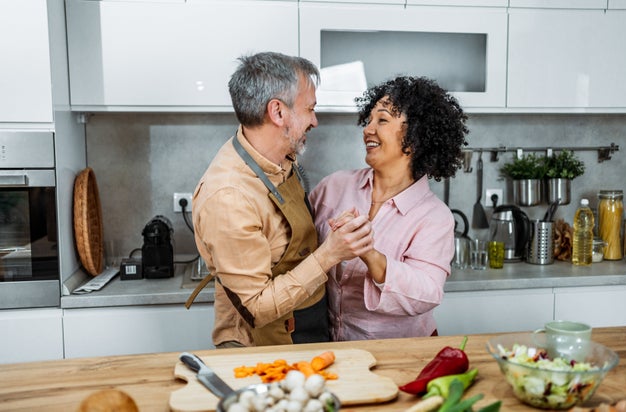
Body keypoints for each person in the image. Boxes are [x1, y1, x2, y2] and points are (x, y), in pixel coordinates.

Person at [186, 52, 374, 348]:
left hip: (307, 325)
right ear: (278, 112)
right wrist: (330, 254)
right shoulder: (229, 197)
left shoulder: (283, 158)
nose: (315, 120)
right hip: (260, 343)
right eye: (310, 109)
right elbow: (256, 308)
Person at [309, 76, 469, 341]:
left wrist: (369, 254)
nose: (368, 129)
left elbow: (427, 293)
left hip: (401, 353)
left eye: (382, 120)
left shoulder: (434, 217)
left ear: (415, 136)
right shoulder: (334, 186)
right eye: (369, 120)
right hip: (332, 349)